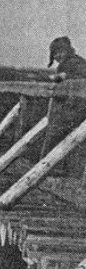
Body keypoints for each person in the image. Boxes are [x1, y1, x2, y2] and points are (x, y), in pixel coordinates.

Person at [40, 36, 86, 175]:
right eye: (55, 54)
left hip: (77, 108)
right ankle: (50, 169)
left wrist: (63, 77)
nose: (58, 56)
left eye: (61, 52)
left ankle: (48, 169)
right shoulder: (64, 64)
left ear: (68, 50)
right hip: (66, 108)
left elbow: (80, 74)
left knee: (63, 138)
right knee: (60, 138)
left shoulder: (76, 62)